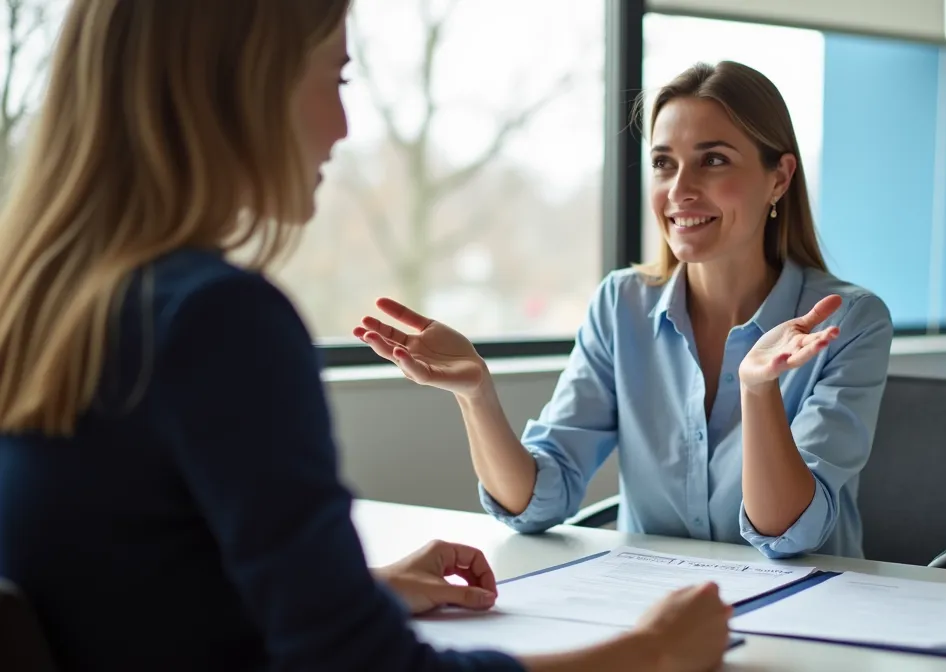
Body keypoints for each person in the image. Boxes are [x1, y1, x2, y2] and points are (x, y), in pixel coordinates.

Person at [0, 2, 731, 671]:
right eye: (336, 78)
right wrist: (652, 653)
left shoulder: (40, 302)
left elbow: (127, 587)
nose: (344, 128)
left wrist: (354, 590)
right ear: (245, 84)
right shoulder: (217, 321)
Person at [355, 61, 894, 561]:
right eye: (663, 163)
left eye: (713, 160)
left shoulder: (848, 321)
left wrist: (758, 390)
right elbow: (538, 501)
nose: (679, 190)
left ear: (778, 177)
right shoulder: (622, 305)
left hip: (807, 616)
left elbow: (789, 532)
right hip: (653, 616)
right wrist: (477, 395)